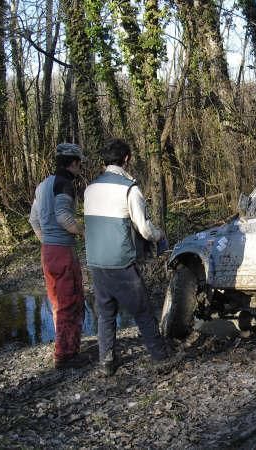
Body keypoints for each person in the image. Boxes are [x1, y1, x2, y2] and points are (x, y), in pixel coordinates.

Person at [84, 138, 168, 377]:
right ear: (127, 159)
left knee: (105, 313)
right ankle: (159, 356)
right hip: (120, 262)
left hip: (96, 262)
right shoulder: (129, 188)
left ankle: (106, 362)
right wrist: (159, 235)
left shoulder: (90, 189)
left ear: (105, 161)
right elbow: (144, 229)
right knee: (142, 310)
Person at [29, 143, 87, 370]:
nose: (80, 168)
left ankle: (68, 347)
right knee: (69, 300)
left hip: (48, 252)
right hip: (62, 251)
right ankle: (64, 354)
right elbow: (64, 217)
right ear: (72, 163)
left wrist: (46, 240)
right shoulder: (65, 184)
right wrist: (84, 231)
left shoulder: (43, 185)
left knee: (56, 301)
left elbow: (33, 220)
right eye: (79, 163)